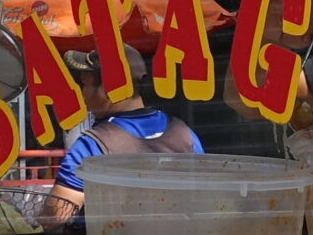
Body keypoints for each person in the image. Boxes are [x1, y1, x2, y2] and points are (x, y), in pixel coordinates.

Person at [47, 48, 202, 216]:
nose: (83, 94)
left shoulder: (92, 145)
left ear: (108, 88)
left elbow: (55, 216)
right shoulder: (184, 134)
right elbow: (203, 197)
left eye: (86, 85)